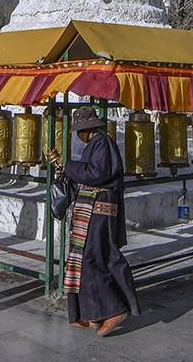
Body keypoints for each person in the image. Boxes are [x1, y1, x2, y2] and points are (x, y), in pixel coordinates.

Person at [50, 107, 140, 335]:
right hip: (89, 207)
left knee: (95, 258)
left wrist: (69, 166)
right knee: (84, 259)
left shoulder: (103, 143)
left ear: (86, 130)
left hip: (99, 209)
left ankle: (114, 309)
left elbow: (97, 174)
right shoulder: (96, 145)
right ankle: (90, 313)